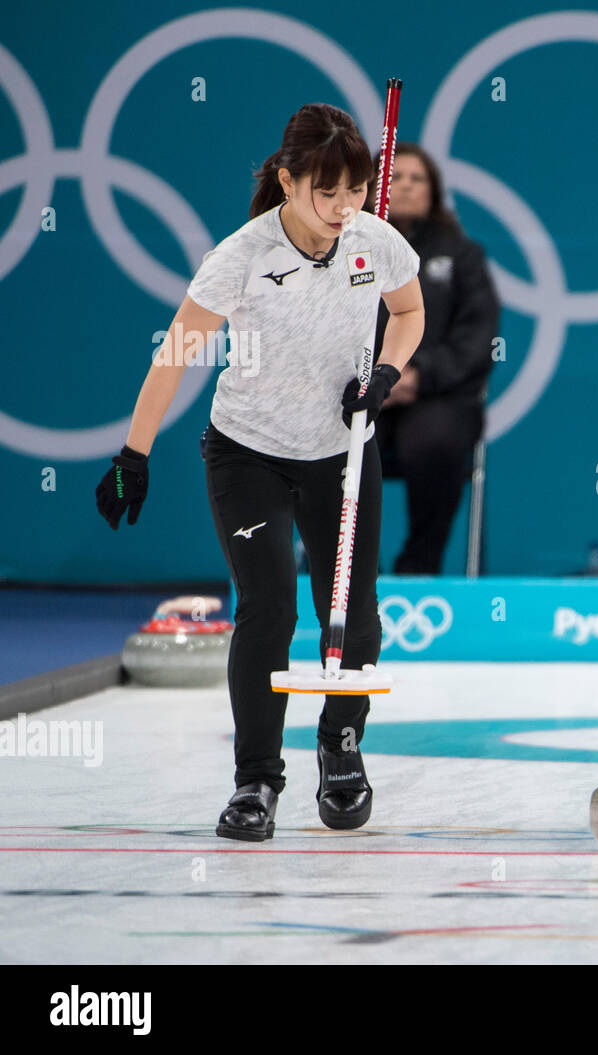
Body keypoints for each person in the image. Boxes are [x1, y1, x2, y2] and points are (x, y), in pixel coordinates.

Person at [94, 103, 424, 841]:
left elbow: (409, 313)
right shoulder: (241, 255)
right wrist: (133, 453)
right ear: (287, 179)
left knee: (354, 613)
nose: (344, 209)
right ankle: (255, 780)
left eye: (356, 191)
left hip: (342, 449)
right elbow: (175, 352)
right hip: (248, 452)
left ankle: (341, 749)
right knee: (268, 606)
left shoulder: (375, 240)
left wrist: (388, 373)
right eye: (327, 192)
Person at [370, 143, 500, 574]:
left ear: (434, 191)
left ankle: (419, 567)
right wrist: (370, 378)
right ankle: (336, 567)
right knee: (332, 441)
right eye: (395, 177)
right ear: (371, 187)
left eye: (417, 178)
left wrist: (416, 375)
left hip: (436, 395)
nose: (405, 185)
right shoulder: (345, 251)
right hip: (360, 391)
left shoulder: (463, 256)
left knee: (435, 442)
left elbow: (477, 339)